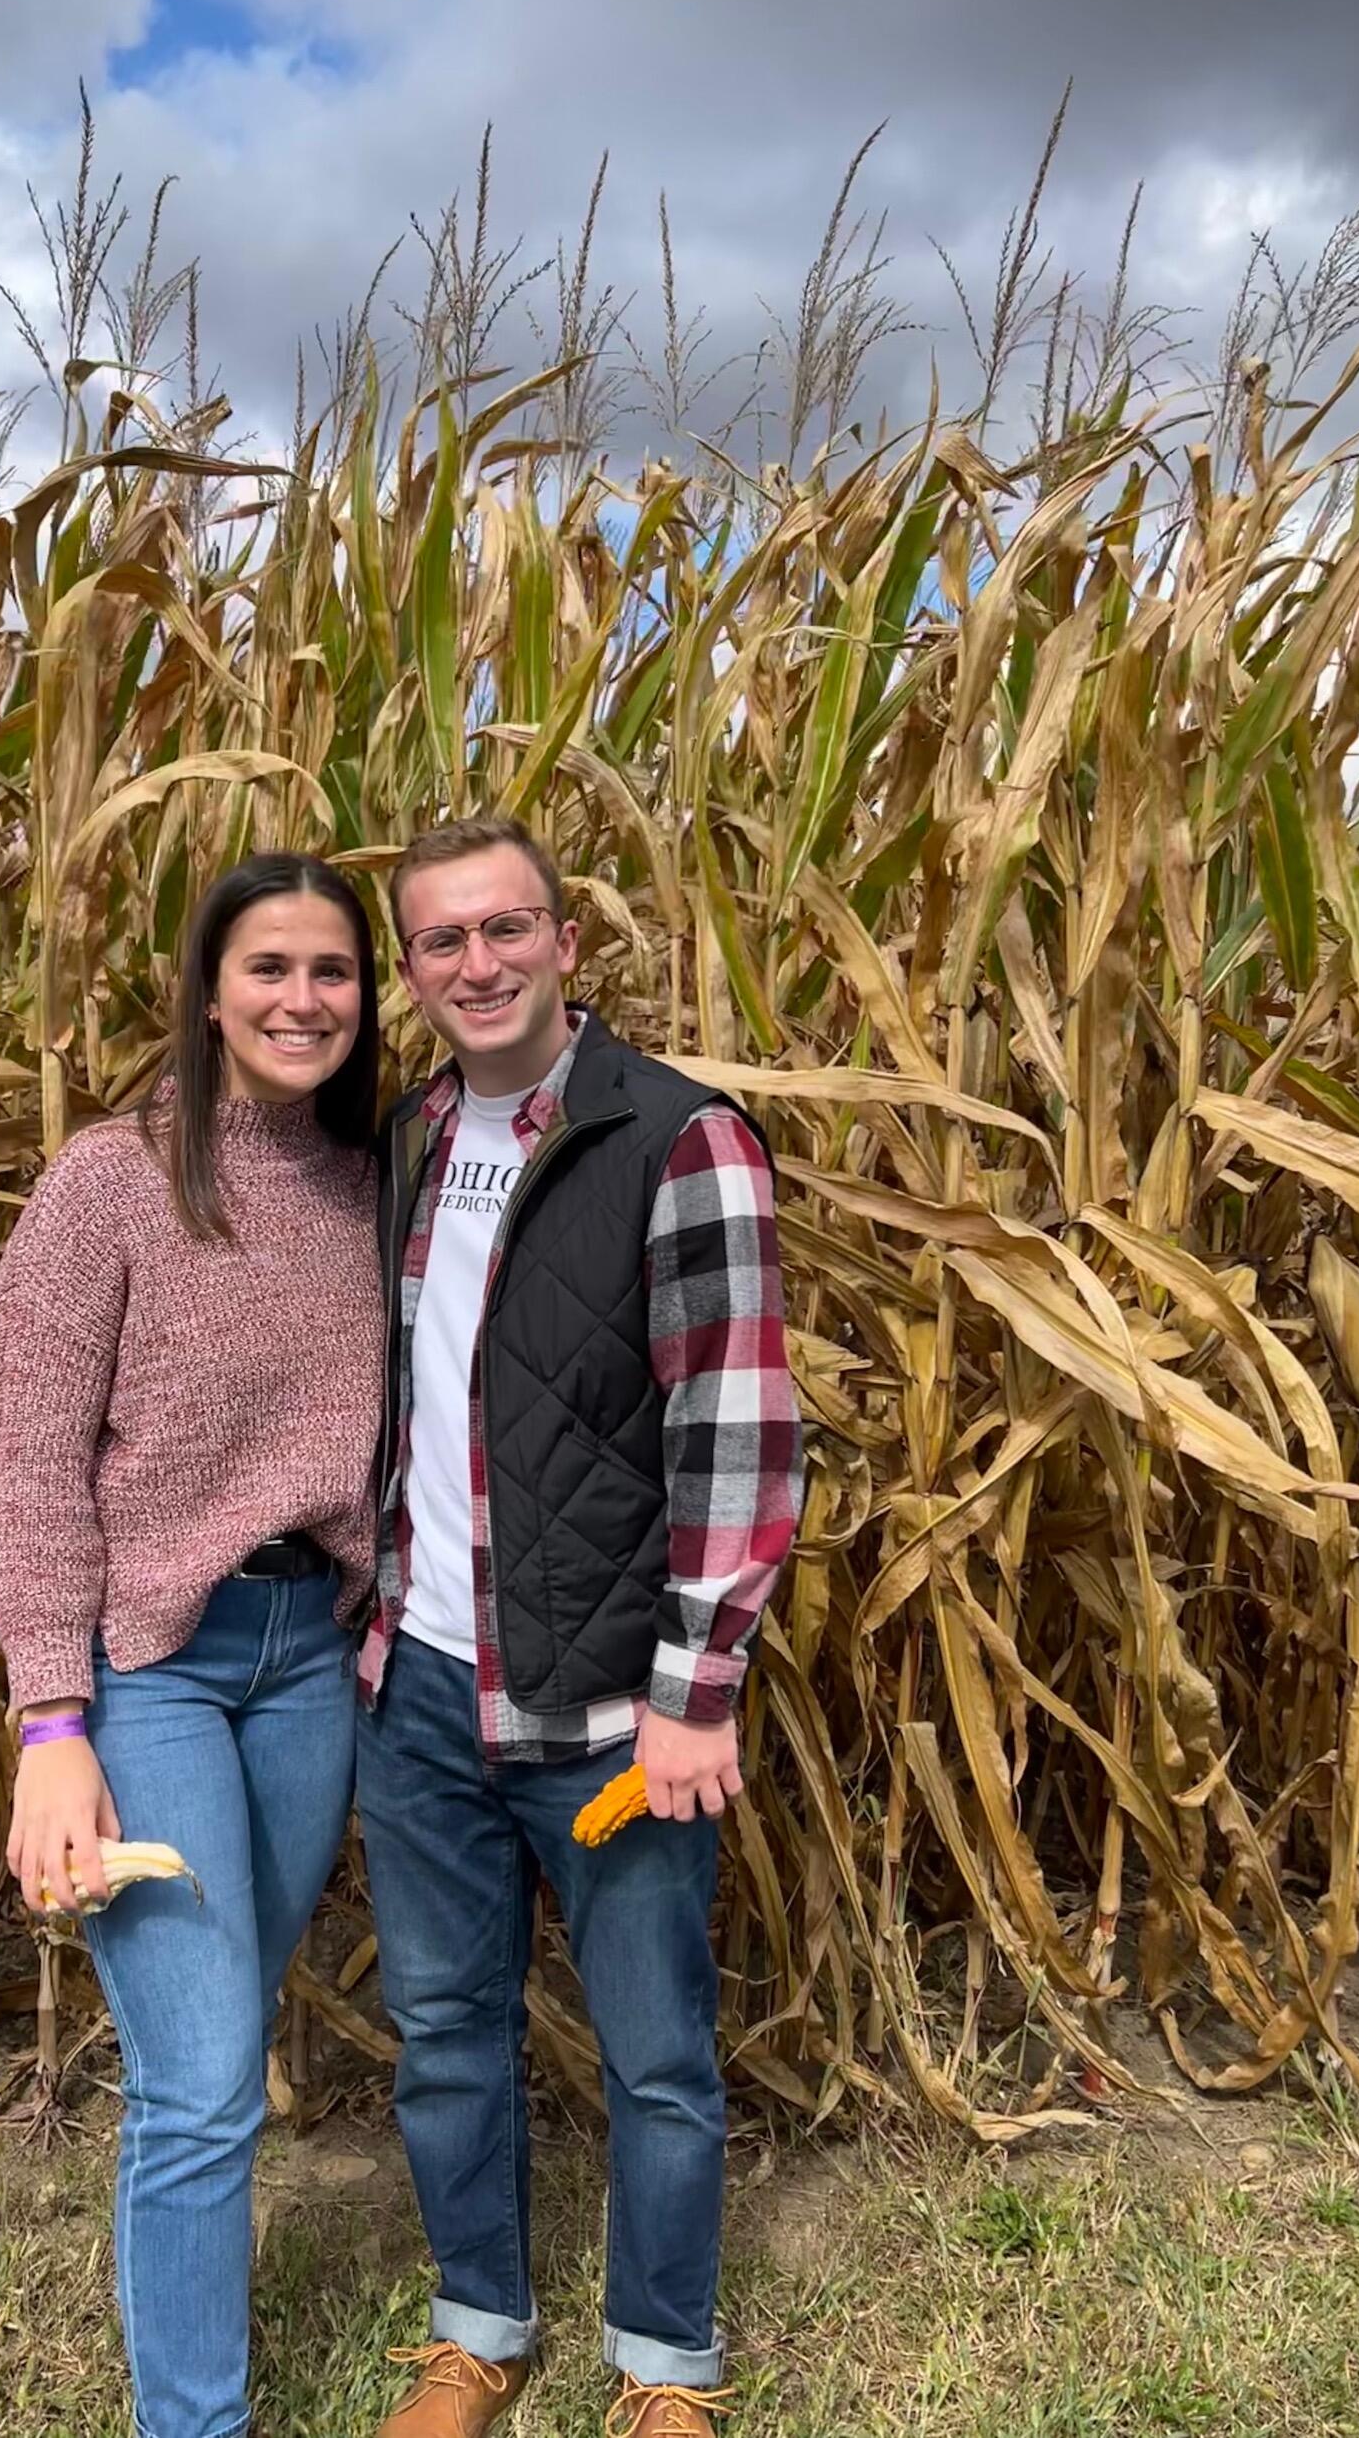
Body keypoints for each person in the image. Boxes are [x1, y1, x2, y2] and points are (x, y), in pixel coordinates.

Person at [357, 818, 804, 2438]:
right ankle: (478, 2329)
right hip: (418, 1693)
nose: (476, 965)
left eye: (506, 929)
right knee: (446, 2037)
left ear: (564, 942)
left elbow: (737, 1433)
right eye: (440, 942)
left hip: (610, 1705)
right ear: (410, 971)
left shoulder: (677, 1139)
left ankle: (664, 2369)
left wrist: (699, 1688)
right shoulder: (408, 1136)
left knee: (658, 2055)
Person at [0, 852, 383, 2438]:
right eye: (268, 968)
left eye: (332, 972)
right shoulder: (111, 1181)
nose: (302, 999)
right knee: (204, 2076)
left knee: (222, 2040)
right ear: (208, 990)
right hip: (155, 1665)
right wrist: (50, 1722)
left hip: (310, 1662)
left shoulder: (375, 1185)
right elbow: (26, 1460)